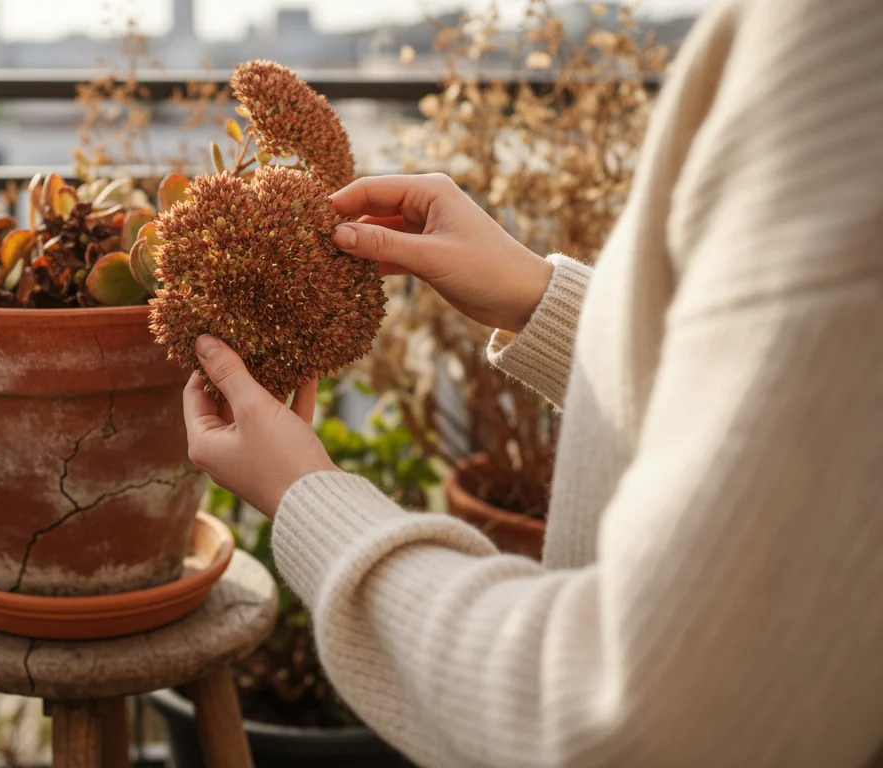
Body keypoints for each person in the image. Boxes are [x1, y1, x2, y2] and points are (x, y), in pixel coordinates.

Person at [181, 0, 883, 764]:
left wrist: (310, 499)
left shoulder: (845, 53)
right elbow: (765, 399)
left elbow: (628, 719)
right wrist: (541, 300)